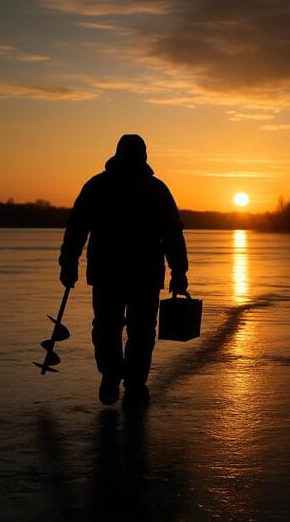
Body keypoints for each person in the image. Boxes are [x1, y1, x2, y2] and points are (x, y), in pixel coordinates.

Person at [59, 134, 188, 405]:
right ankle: (125, 380)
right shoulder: (153, 189)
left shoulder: (101, 186)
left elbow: (76, 229)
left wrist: (179, 272)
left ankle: (123, 380)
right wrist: (178, 272)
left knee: (116, 328)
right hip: (133, 274)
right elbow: (77, 228)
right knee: (129, 329)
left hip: (119, 273)